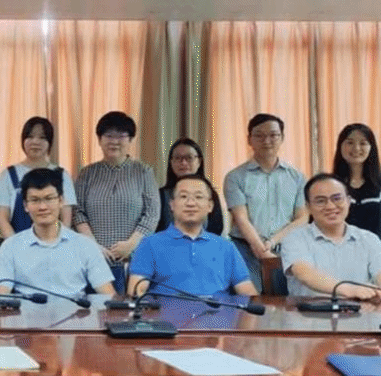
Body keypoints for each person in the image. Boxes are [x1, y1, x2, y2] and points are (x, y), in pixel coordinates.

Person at [72, 111, 159, 293]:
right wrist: (93, 246)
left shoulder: (143, 171)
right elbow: (77, 212)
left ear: (131, 139)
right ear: (99, 139)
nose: (114, 141)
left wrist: (131, 244)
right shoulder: (87, 173)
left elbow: (152, 213)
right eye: (108, 136)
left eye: (121, 136)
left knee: (130, 307)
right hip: (94, 259)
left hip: (133, 260)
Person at [127, 175, 258, 297]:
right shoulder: (149, 244)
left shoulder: (226, 247)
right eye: (183, 196)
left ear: (210, 206)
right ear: (172, 204)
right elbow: (136, 291)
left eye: (198, 197)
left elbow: (247, 292)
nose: (191, 203)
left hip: (218, 313)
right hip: (167, 314)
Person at [0, 168, 115, 297]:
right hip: (26, 308)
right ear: (25, 205)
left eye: (49, 198)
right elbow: (2, 296)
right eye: (35, 200)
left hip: (74, 308)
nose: (43, 207)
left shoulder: (85, 245)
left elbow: (108, 295)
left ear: (61, 201)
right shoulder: (10, 246)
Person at [281, 174, 381, 303]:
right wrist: (351, 290)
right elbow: (304, 273)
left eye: (337, 198)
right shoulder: (295, 238)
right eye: (320, 201)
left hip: (360, 313)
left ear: (348, 201)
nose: (330, 206)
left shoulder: (369, 239)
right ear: (308, 207)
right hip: (309, 313)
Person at [223, 113, 308, 293]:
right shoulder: (235, 177)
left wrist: (272, 241)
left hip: (286, 249)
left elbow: (302, 218)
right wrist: (262, 250)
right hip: (245, 250)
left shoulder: (297, 177)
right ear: (249, 139)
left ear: (282, 138)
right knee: (250, 302)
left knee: (288, 302)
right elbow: (241, 218)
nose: (267, 141)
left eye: (273, 135)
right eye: (259, 135)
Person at [330, 123, 381, 269]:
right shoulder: (330, 185)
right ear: (340, 146)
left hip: (377, 264)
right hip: (337, 262)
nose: (356, 148)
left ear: (372, 148)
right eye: (350, 142)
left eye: (363, 143)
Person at [0, 116, 77, 238]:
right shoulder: (8, 175)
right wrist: (16, 245)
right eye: (30, 137)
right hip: (18, 243)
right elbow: (2, 219)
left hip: (54, 244)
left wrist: (55, 243)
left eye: (42, 137)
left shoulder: (62, 175)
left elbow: (66, 219)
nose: (35, 142)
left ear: (50, 142)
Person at [155, 138, 228, 237]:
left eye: (189, 158)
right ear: (171, 162)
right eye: (177, 158)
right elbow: (157, 229)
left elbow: (216, 229)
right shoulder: (160, 195)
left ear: (199, 162)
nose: (183, 162)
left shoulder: (211, 194)